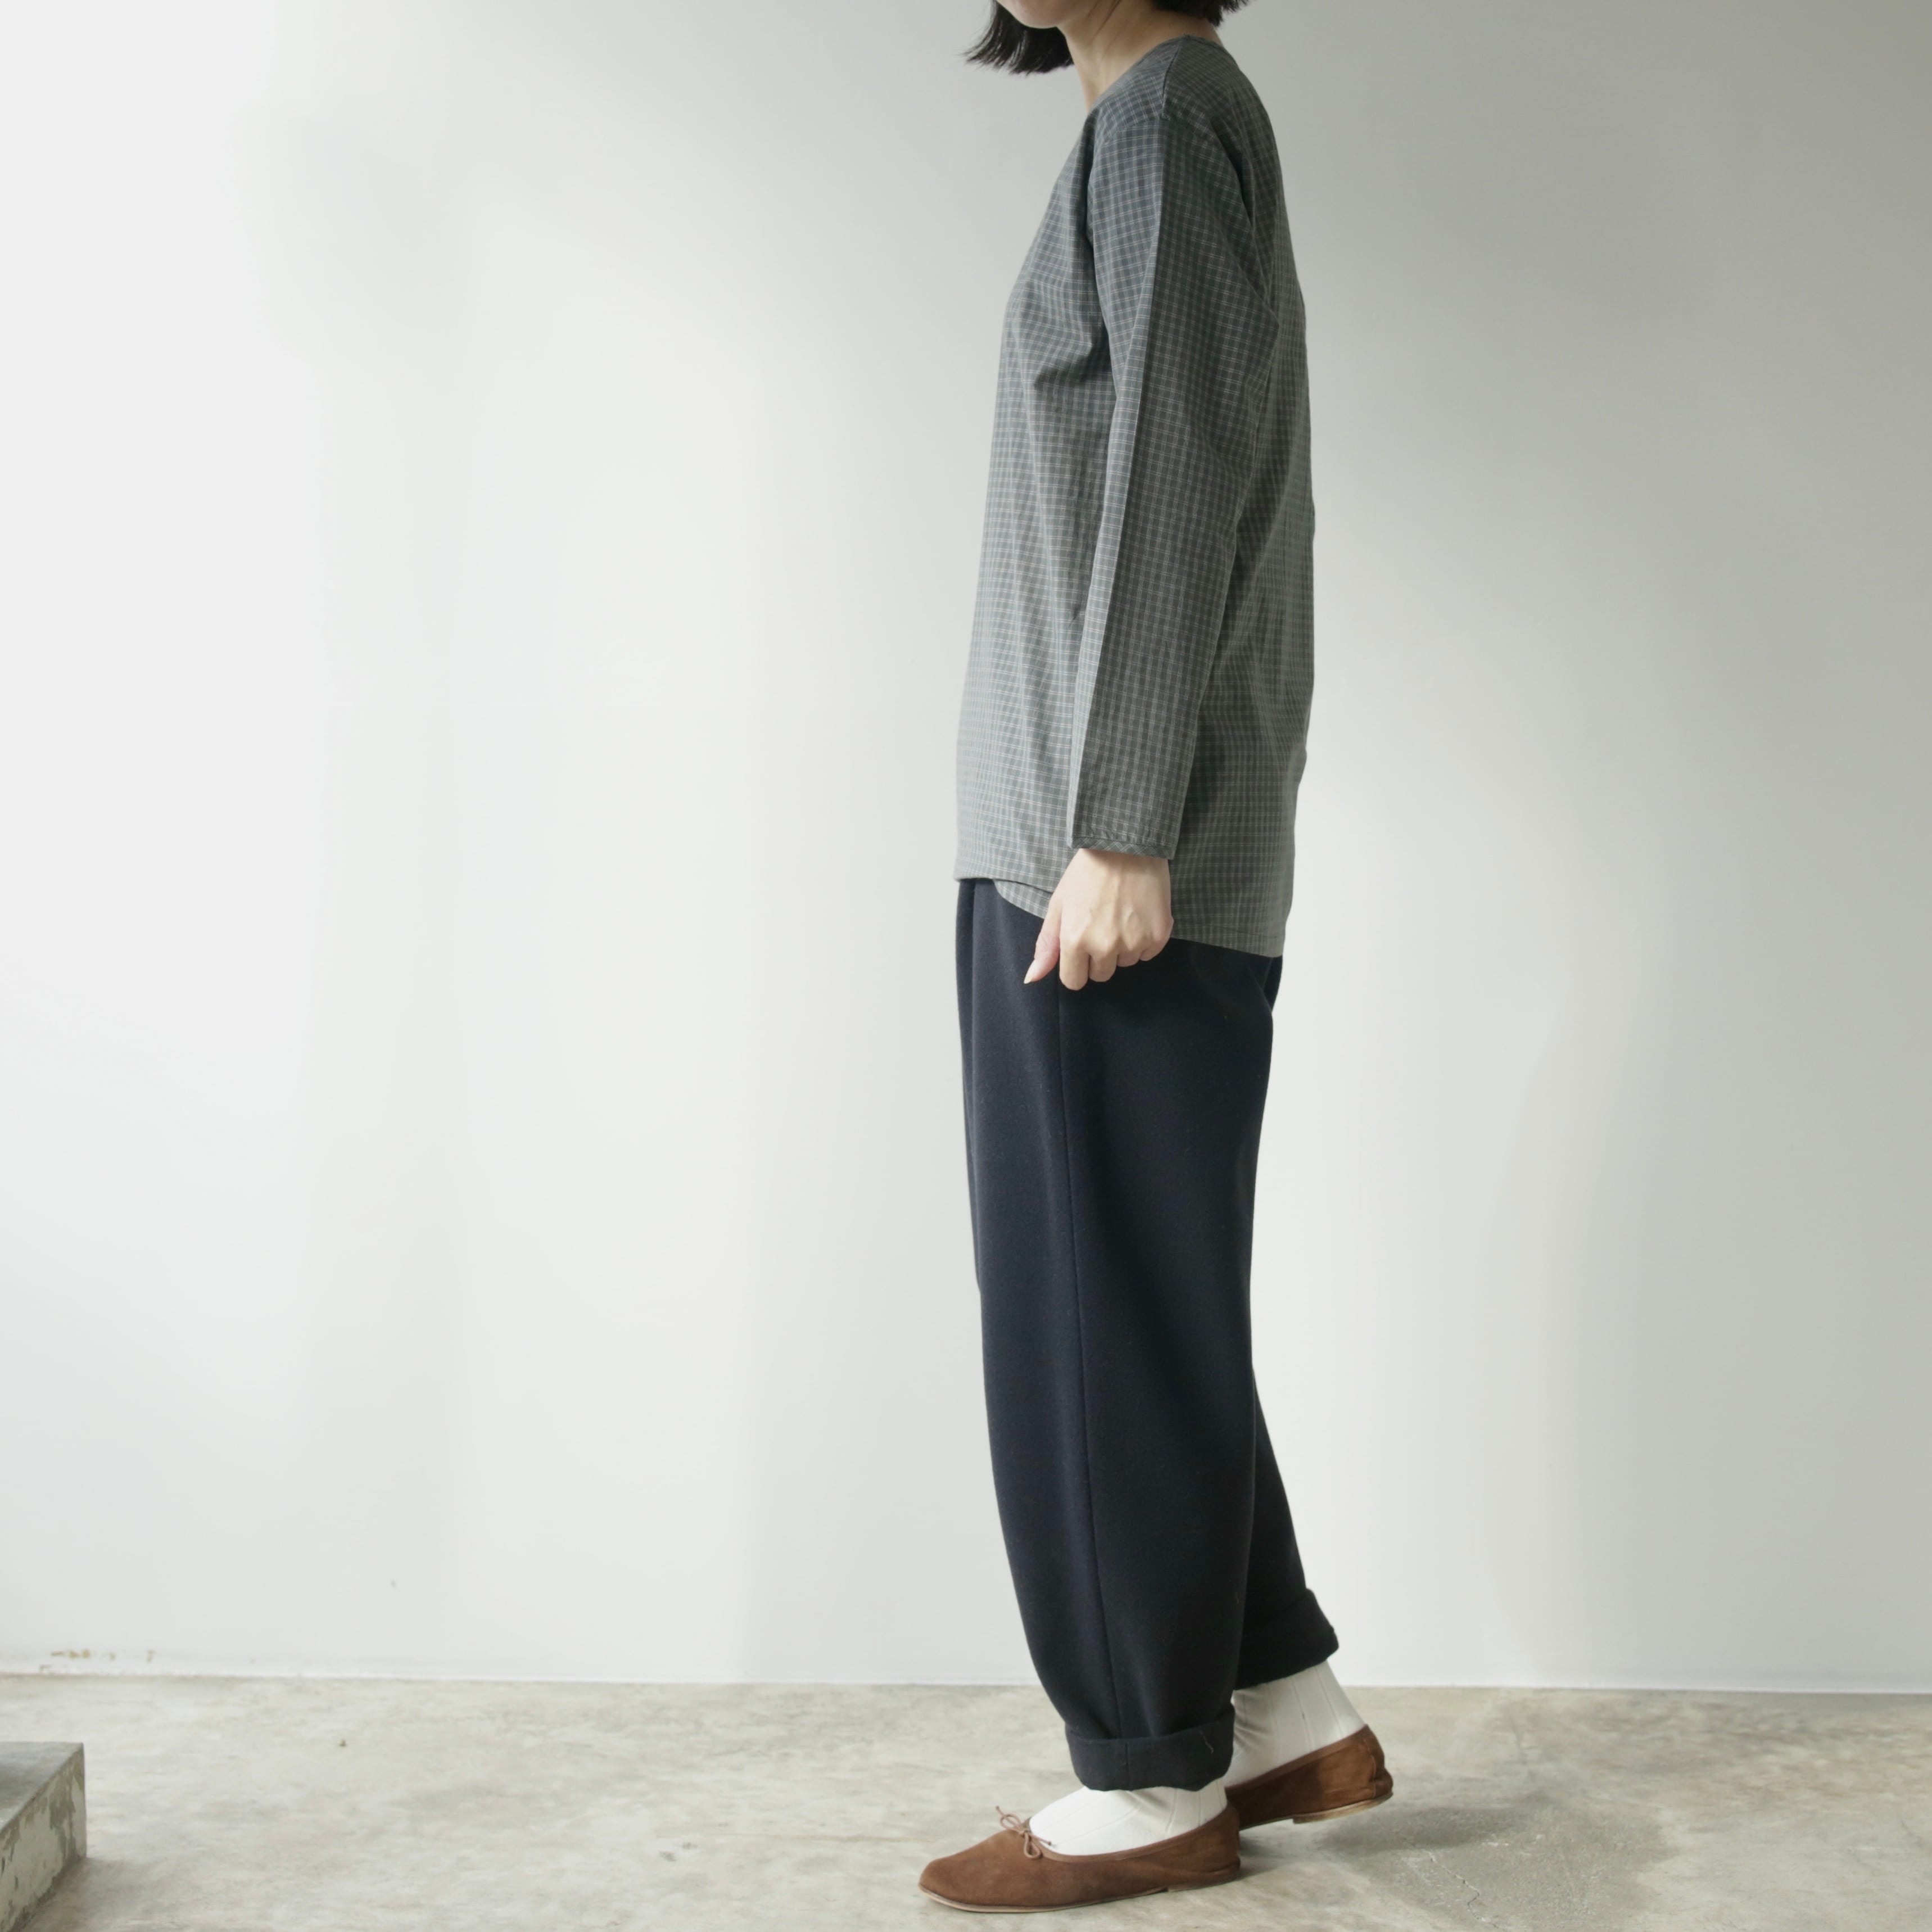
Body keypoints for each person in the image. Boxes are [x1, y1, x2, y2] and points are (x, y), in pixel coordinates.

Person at [921, 1, 1393, 1913]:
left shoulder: (1172, 119)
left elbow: (1176, 473)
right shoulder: (1155, 124)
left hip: (1104, 863)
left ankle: (1147, 1776)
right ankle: (1278, 1704)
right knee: (1144, 1300)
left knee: (1090, 1317)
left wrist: (1119, 826)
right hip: (1084, 841)